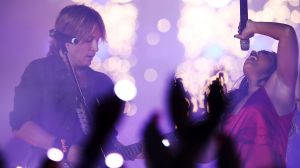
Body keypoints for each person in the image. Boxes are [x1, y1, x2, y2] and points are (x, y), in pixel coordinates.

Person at [4, 4, 137, 167]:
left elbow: (107, 139)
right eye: (88, 40)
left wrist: (142, 150)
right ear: (68, 41)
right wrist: (63, 149)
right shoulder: (39, 71)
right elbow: (20, 125)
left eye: (97, 41)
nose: (95, 48)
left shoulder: (103, 82)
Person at [222, 20, 299, 167]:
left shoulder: (280, 93)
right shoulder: (234, 107)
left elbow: (286, 34)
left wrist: (254, 27)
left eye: (262, 53)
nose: (253, 52)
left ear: (276, 69)